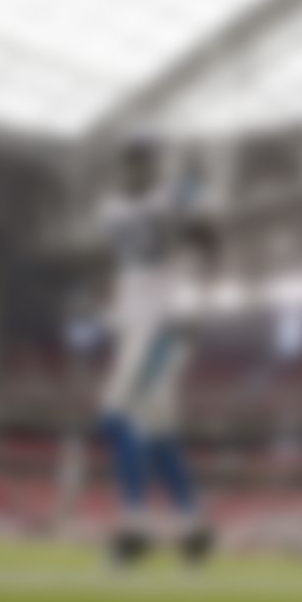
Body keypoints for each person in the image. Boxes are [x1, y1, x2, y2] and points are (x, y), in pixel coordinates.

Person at [94, 146, 211, 567]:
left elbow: (204, 232)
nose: (135, 166)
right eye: (130, 159)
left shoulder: (166, 197)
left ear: (153, 165)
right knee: (158, 436)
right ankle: (194, 527)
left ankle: (134, 525)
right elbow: (145, 243)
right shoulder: (113, 207)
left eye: (143, 159)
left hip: (162, 327)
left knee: (117, 417)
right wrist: (182, 203)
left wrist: (193, 194)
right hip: (135, 327)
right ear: (121, 166)